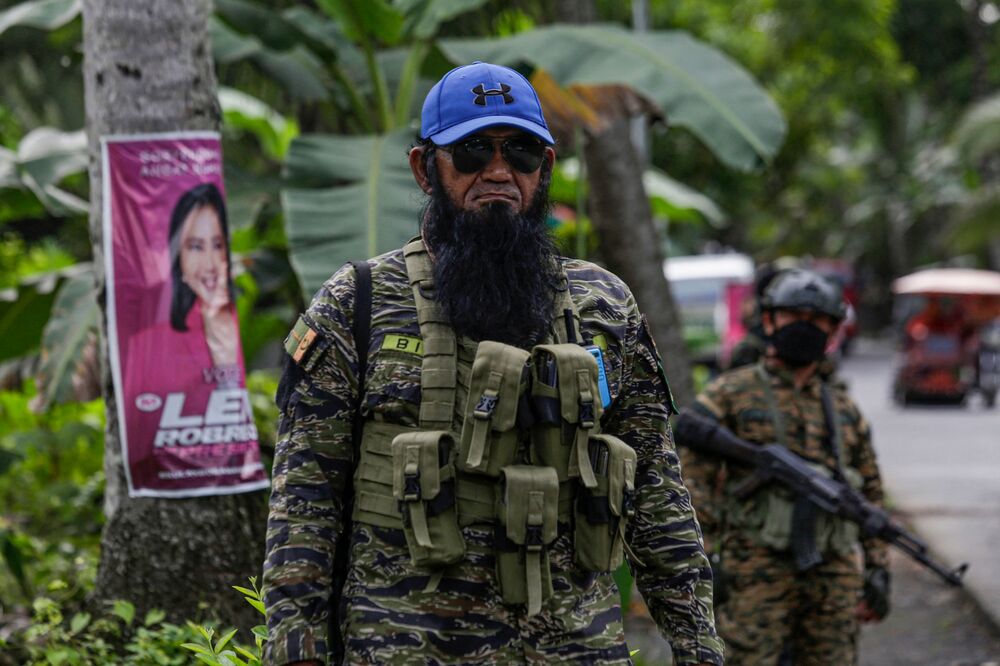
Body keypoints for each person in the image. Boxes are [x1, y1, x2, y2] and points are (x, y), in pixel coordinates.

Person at [261, 61, 724, 666]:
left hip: (573, 647)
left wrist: (698, 643)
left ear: (547, 168)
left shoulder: (603, 306)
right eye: (473, 151)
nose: (499, 172)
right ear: (426, 168)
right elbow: (305, 501)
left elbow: (656, 492)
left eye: (522, 153)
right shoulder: (360, 303)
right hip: (405, 646)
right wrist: (297, 646)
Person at [680, 269, 890, 665]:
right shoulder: (731, 392)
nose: (805, 327)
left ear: (832, 330)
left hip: (833, 573)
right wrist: (704, 560)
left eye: (817, 320)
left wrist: (878, 568)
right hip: (755, 568)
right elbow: (692, 480)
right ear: (770, 319)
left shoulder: (843, 409)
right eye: (794, 316)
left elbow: (870, 494)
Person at [167, 182, 239, 370]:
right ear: (177, 254)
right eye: (196, 247)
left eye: (217, 245)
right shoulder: (151, 341)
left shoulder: (237, 321)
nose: (209, 264)